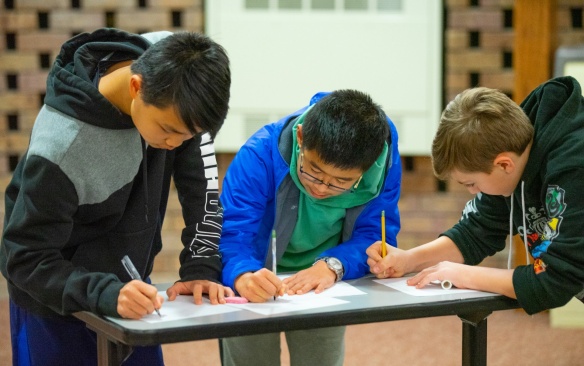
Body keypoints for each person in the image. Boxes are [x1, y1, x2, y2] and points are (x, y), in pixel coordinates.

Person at [1, 28, 233, 366]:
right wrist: (105, 293)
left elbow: (204, 189)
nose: (178, 144)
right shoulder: (61, 148)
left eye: (190, 136)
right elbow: (24, 259)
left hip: (131, 291)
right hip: (58, 305)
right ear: (136, 87)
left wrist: (201, 265)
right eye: (170, 132)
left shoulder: (184, 76)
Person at [367, 76, 584, 315]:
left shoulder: (573, 169)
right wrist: (409, 259)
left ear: (504, 164)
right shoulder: (511, 150)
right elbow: (477, 231)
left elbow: (555, 281)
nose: (473, 192)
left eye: (472, 183)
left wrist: (465, 275)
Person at [219, 89, 402, 365]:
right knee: (250, 357)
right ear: (300, 137)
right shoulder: (258, 153)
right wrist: (242, 274)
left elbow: (376, 235)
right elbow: (232, 232)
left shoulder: (383, 162)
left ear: (368, 165)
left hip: (322, 279)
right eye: (313, 170)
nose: (321, 187)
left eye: (341, 181)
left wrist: (332, 266)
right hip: (255, 268)